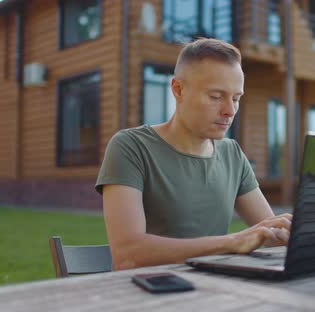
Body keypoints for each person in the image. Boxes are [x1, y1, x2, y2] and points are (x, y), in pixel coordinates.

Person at [95, 38, 292, 270]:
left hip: (214, 291)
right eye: (216, 97)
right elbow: (127, 254)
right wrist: (233, 241)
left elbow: (269, 235)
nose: (230, 110)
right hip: (150, 294)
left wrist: (297, 233)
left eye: (236, 98)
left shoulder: (232, 154)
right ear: (178, 89)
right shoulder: (131, 147)